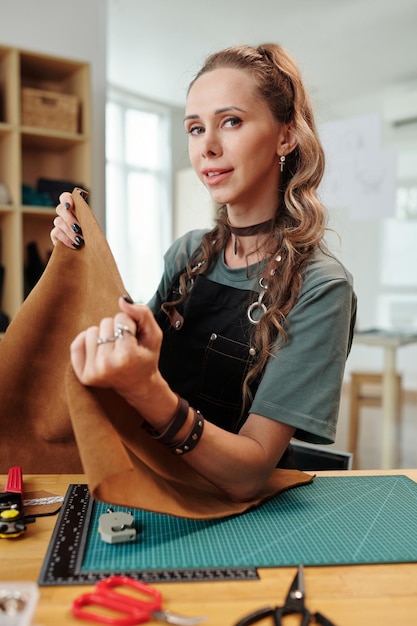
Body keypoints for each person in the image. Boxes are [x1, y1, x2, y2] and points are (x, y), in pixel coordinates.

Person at [51, 43, 356, 503]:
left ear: (286, 137)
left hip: (238, 514)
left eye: (231, 121)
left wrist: (149, 391)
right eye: (195, 128)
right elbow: (133, 351)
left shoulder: (320, 286)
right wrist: (79, 264)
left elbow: (248, 474)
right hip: (151, 486)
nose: (207, 146)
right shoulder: (188, 254)